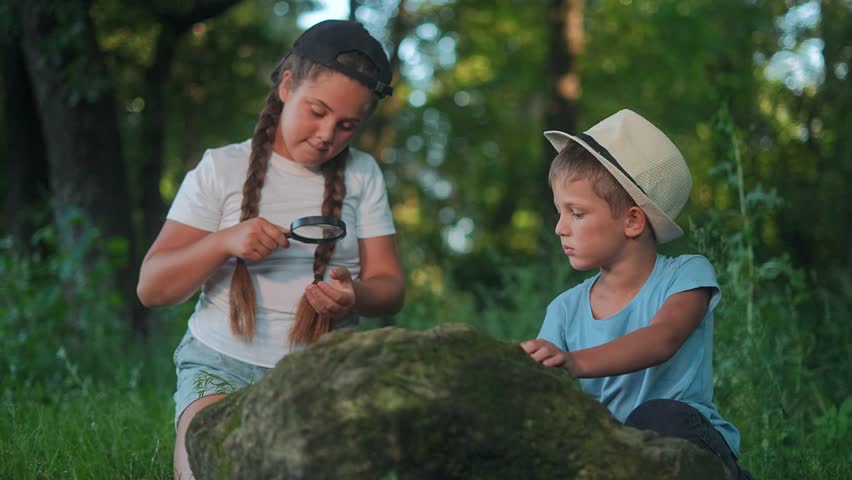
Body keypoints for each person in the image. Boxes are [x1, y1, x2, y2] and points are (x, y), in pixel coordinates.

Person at [136, 20, 405, 479]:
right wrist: (224, 243)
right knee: (211, 467)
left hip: (322, 371)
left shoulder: (363, 175)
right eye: (316, 111)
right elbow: (152, 288)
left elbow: (390, 288)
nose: (327, 135)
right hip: (220, 366)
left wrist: (354, 294)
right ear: (286, 86)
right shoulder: (220, 169)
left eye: (347, 125)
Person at [521, 109, 751, 479]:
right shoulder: (563, 310)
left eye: (576, 213)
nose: (560, 228)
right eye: (558, 212)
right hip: (611, 456)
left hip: (684, 442)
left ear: (632, 221)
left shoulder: (686, 275)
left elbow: (662, 339)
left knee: (655, 416)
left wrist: (574, 362)